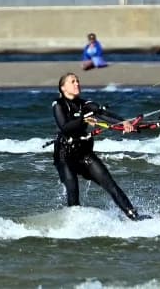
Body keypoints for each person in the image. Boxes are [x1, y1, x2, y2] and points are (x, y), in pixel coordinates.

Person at [52, 72, 148, 221]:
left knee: (111, 185)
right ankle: (74, 226)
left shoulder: (85, 105)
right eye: (72, 82)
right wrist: (84, 120)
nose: (77, 84)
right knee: (73, 191)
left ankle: (135, 217)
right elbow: (65, 127)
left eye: (78, 81)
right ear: (63, 87)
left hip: (84, 153)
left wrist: (123, 122)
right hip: (65, 155)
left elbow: (102, 113)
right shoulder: (58, 105)